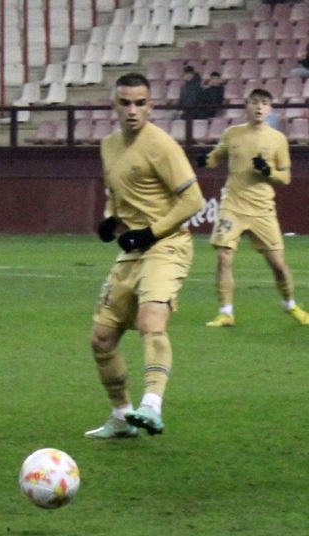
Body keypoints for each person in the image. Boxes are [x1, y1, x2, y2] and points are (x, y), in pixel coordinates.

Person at [87, 73, 204, 440]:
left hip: (167, 245)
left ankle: (151, 404)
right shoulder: (108, 146)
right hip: (133, 250)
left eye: (141, 103)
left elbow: (193, 200)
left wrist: (150, 232)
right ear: (115, 105)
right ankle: (122, 416)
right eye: (126, 103)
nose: (133, 110)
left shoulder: (162, 146)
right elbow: (116, 194)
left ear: (151, 106)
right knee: (102, 339)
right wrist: (110, 219)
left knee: (152, 321)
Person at [198, 89, 307, 327]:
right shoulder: (232, 133)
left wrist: (268, 171)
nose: (259, 107)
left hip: (262, 209)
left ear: (270, 109)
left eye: (264, 103)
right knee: (224, 257)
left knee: (278, 265)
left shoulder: (277, 138)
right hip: (233, 206)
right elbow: (216, 156)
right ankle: (226, 312)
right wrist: (204, 161)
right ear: (246, 106)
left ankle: (290, 304)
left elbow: (286, 176)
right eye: (255, 102)